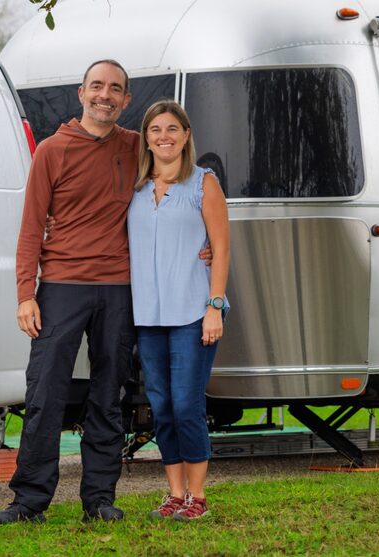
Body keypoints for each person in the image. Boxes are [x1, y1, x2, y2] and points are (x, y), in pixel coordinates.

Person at [0, 59, 139, 525]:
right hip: (60, 288)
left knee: (108, 396)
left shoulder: (137, 148)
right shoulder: (52, 151)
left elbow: (183, 184)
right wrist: (25, 294)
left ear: (125, 100)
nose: (105, 95)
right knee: (45, 395)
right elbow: (31, 227)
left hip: (118, 289)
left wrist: (204, 247)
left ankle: (99, 499)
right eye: (97, 86)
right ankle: (29, 501)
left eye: (115, 89)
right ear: (82, 93)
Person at [127, 99, 230, 520]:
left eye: (172, 129)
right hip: (148, 316)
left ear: (186, 135)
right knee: (161, 405)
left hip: (193, 313)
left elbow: (220, 248)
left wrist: (215, 307)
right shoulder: (135, 188)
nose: (164, 137)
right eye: (155, 130)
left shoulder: (203, 184)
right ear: (146, 138)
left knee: (187, 404)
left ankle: (198, 497)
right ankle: (173, 494)